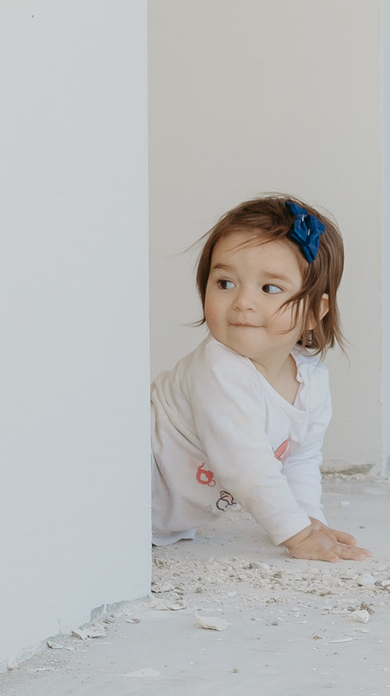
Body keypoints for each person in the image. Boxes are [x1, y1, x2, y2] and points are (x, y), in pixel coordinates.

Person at [151, 195, 369, 562]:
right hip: (125, 487)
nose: (242, 302)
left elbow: (300, 459)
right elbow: (246, 466)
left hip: (160, 519)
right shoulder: (219, 368)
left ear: (314, 311)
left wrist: (309, 519)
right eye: (225, 283)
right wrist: (296, 534)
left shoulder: (311, 380)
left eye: (269, 289)